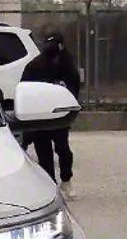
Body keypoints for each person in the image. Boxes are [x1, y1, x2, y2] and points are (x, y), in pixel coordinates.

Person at [20, 32, 81, 198]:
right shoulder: (34, 66)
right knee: (43, 152)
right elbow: (25, 90)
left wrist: (69, 110)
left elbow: (74, 90)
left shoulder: (68, 67)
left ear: (61, 46)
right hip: (40, 116)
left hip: (60, 115)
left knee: (63, 149)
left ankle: (66, 181)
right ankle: (51, 185)